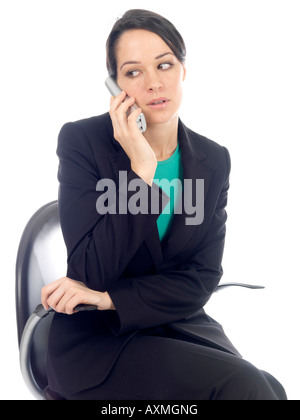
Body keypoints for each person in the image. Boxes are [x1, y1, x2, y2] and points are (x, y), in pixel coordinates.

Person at [41, 9, 287, 400]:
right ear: (115, 84)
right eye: (134, 72)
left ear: (183, 70)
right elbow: (90, 271)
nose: (154, 83)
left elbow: (201, 278)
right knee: (244, 386)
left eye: (165, 64)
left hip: (176, 324)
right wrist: (141, 169)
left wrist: (112, 299)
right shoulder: (83, 142)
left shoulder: (213, 159)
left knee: (270, 387)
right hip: (99, 342)